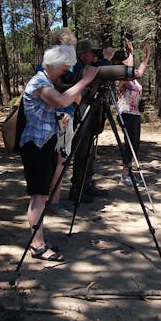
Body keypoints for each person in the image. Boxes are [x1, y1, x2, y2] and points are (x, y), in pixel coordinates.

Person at [19, 45, 98, 261]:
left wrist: (58, 119)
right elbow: (62, 100)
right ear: (53, 66)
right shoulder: (38, 82)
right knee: (39, 195)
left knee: (42, 195)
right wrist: (84, 81)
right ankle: (37, 246)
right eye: (64, 69)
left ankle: (39, 239)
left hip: (44, 143)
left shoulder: (47, 82)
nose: (65, 73)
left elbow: (46, 109)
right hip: (35, 145)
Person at [64, 39, 115, 203]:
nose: (95, 56)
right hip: (79, 114)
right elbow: (92, 75)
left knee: (89, 152)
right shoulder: (76, 67)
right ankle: (77, 190)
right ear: (83, 54)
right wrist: (105, 60)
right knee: (82, 152)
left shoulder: (82, 66)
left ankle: (86, 184)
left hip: (87, 113)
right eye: (92, 52)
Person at [45, 28, 78, 217]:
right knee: (60, 160)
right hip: (61, 116)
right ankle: (54, 200)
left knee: (59, 160)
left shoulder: (50, 63)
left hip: (65, 113)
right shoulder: (55, 66)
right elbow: (56, 93)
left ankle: (53, 197)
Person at [112, 40, 151, 186]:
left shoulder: (133, 78)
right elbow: (129, 70)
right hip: (125, 113)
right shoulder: (121, 79)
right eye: (127, 61)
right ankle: (125, 174)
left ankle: (128, 172)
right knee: (129, 144)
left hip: (135, 114)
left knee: (135, 144)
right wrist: (131, 53)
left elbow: (140, 70)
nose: (129, 62)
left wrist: (147, 55)